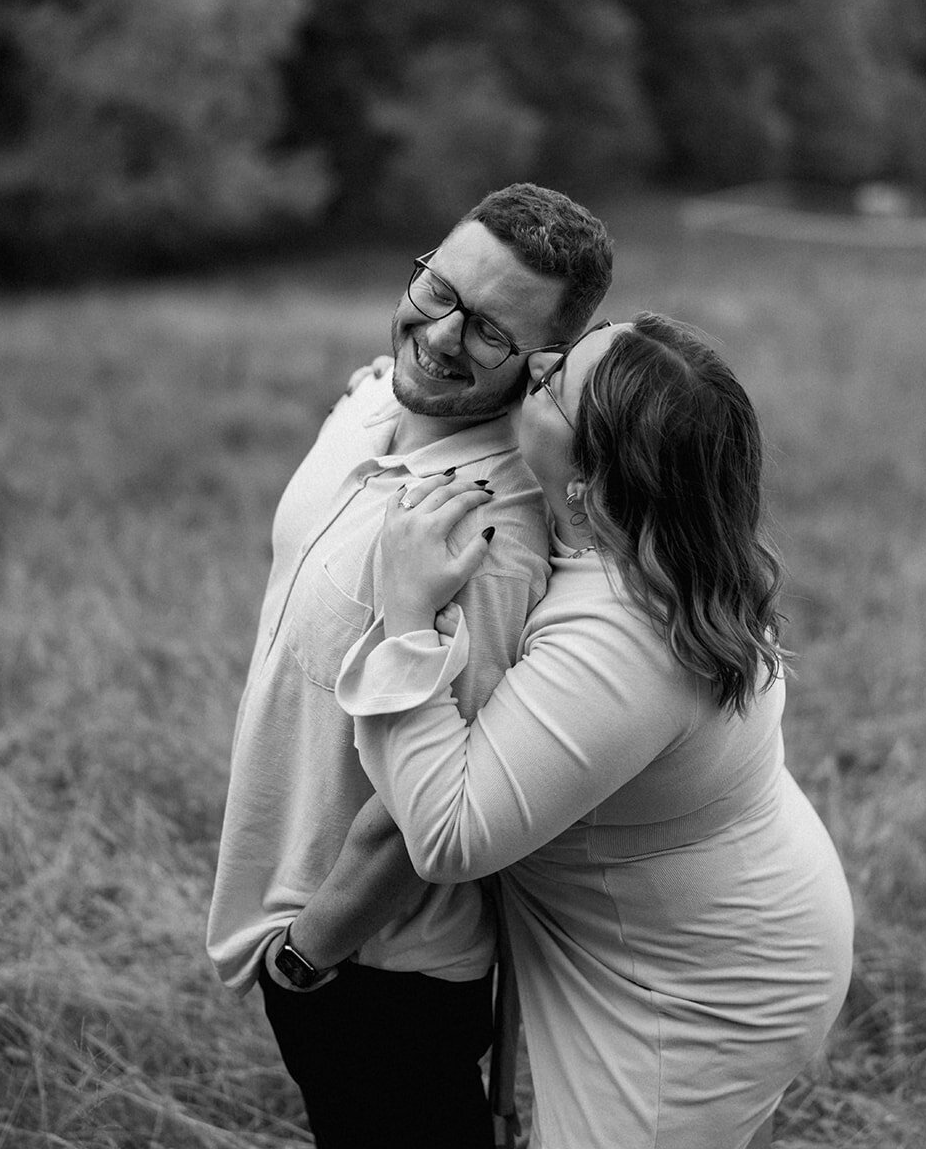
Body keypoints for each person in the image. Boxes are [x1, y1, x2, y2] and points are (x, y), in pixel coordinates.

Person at [336, 315, 855, 1149]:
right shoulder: (675, 543)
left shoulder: (623, 639)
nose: (535, 359)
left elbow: (449, 834)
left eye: (550, 382)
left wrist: (407, 620)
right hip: (733, 923)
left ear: (591, 482)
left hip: (692, 991)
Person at [206, 184, 613, 1149]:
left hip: (377, 972)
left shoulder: (484, 537)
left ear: (541, 363)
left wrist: (307, 959)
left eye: (488, 333)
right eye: (439, 290)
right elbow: (392, 376)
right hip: (318, 936)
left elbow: (425, 809)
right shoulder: (375, 401)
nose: (438, 337)